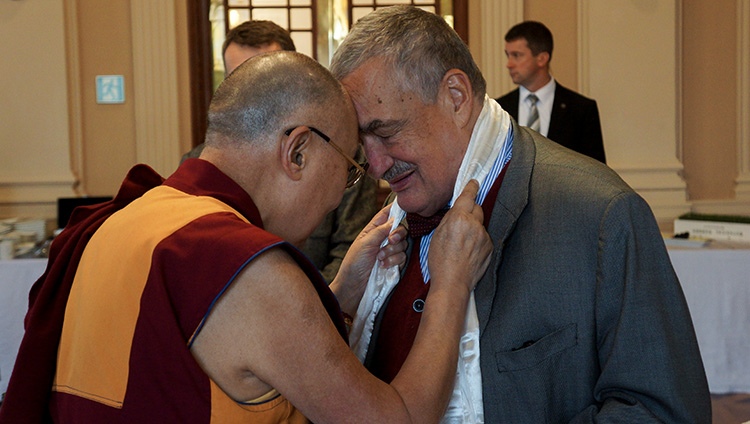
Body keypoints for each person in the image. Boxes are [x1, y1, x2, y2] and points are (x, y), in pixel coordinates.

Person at [0, 51, 494, 423]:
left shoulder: (125, 220)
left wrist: (339, 291)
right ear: (297, 151)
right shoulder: (249, 270)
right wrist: (450, 282)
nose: (339, 198)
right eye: (349, 168)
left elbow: (243, 351)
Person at [330, 5, 711, 423]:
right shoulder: (392, 221)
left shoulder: (600, 215)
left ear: (455, 97)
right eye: (363, 143)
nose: (377, 166)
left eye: (386, 133)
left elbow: (662, 411)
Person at [183, 19, 379, 284]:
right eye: (240, 77)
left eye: (267, 75)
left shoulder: (342, 161)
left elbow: (351, 252)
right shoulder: (199, 165)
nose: (253, 91)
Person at [495, 21, 607, 164]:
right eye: (508, 55)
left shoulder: (581, 110)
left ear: (542, 58)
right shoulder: (499, 110)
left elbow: (597, 173)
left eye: (516, 55)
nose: (509, 64)